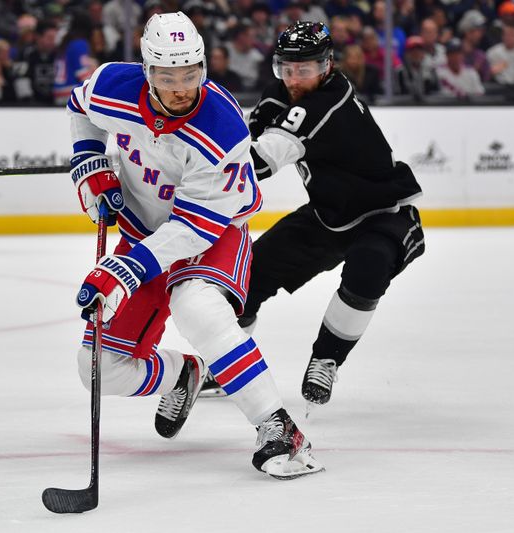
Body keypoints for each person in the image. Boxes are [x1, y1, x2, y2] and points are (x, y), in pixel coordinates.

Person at [66, 12, 323, 479]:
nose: (181, 87)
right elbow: (79, 109)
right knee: (97, 367)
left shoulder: (221, 128)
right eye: (168, 76)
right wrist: (88, 160)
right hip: (143, 231)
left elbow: (194, 226)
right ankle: (183, 373)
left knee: (197, 309)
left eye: (190, 74)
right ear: (147, 72)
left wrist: (125, 270)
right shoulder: (111, 86)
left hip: (211, 232)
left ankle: (279, 428)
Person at [216, 21, 425, 411]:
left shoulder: (328, 100)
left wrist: (190, 167)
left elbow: (259, 162)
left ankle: (327, 358)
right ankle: (223, 358)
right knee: (247, 277)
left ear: (327, 66)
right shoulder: (280, 95)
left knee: (369, 266)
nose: (295, 79)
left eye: (306, 69)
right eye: (287, 69)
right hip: (329, 214)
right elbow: (243, 143)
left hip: (384, 213)